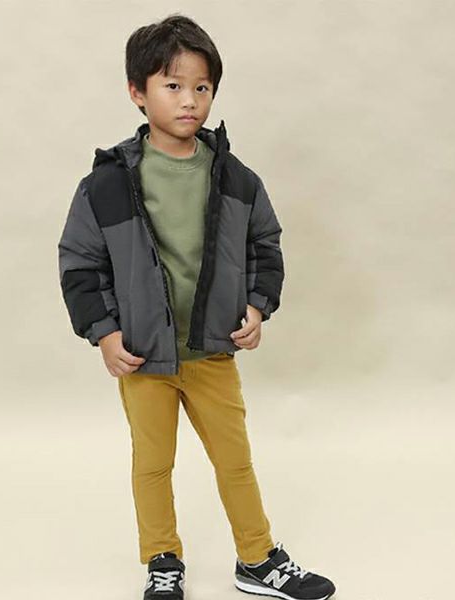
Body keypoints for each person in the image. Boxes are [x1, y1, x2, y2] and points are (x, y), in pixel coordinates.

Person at [58, 13, 336, 600]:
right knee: (152, 465)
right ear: (137, 92)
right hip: (144, 358)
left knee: (235, 461)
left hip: (212, 353)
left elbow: (265, 246)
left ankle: (257, 558)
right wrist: (104, 332)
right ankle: (162, 560)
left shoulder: (236, 179)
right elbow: (80, 263)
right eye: (173, 85)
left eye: (202, 87)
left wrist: (257, 306)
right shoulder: (107, 185)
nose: (190, 100)